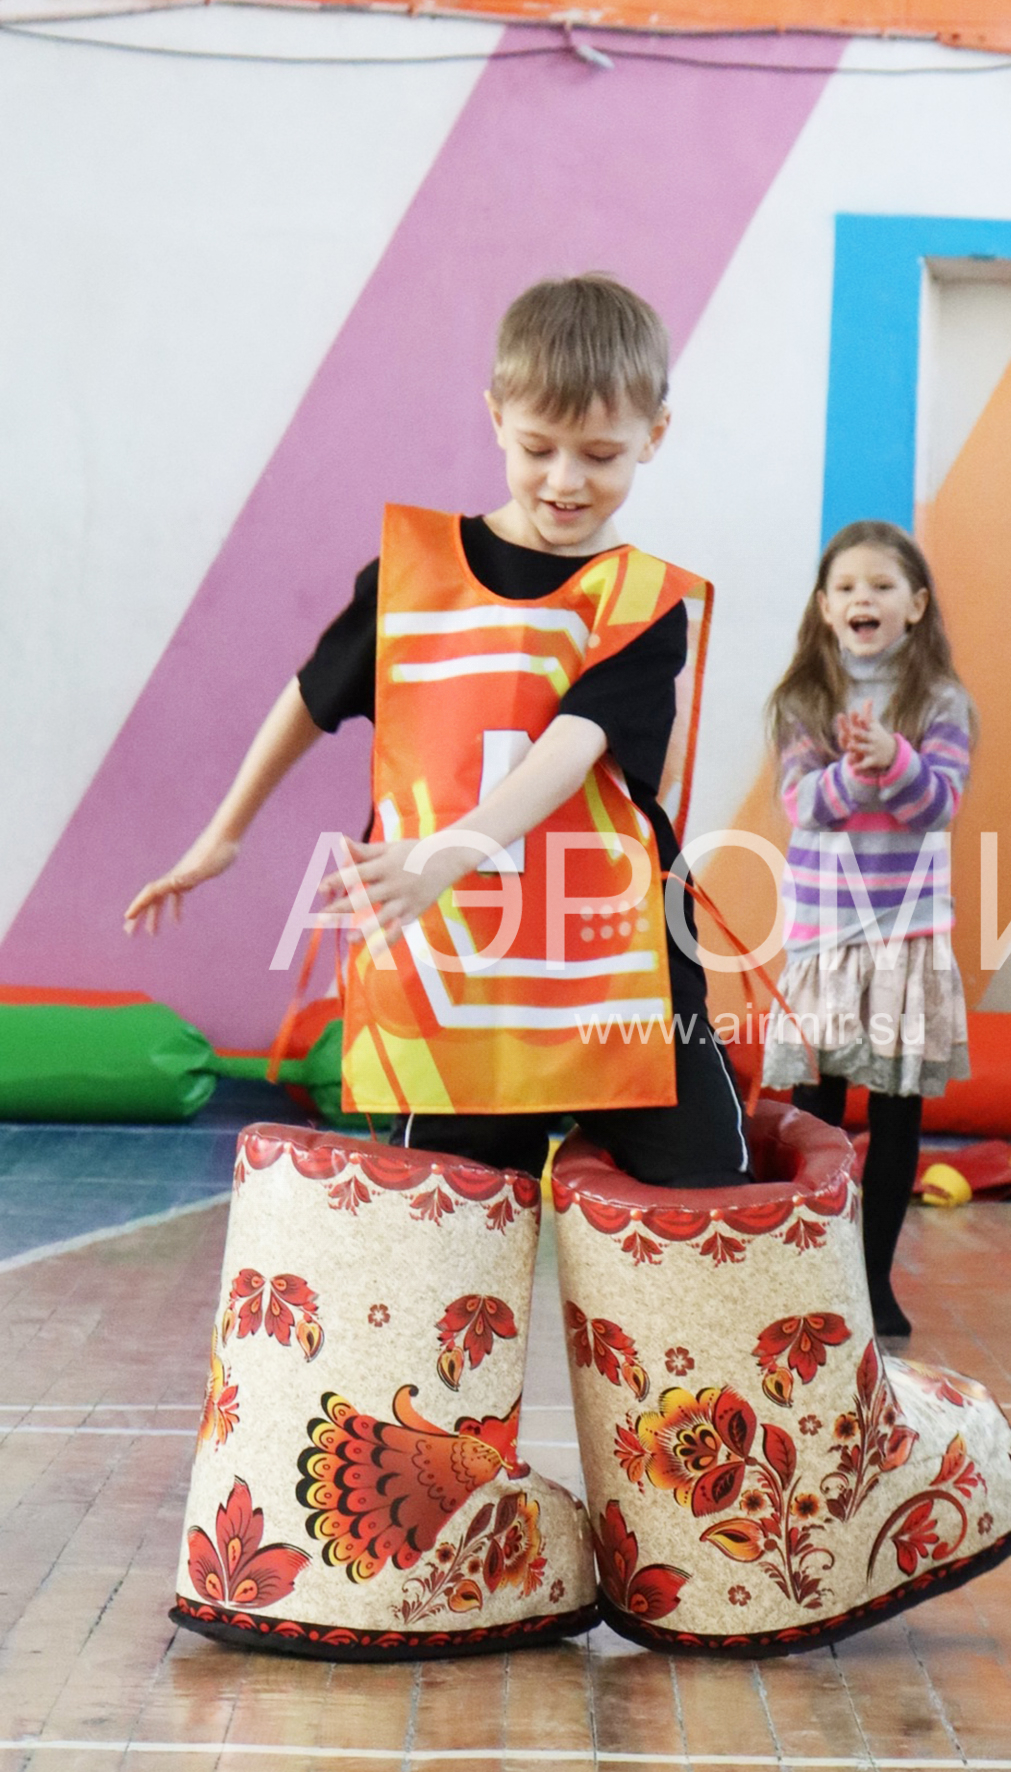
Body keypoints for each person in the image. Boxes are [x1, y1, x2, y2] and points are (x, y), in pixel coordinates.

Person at [126, 273, 750, 1191]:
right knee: (448, 1219)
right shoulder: (412, 580)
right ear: (496, 416)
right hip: (461, 964)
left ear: (654, 436)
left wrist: (447, 851)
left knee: (704, 1193)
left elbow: (574, 744)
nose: (565, 480)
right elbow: (311, 695)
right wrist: (224, 834)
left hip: (620, 957)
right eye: (537, 448)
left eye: (600, 454)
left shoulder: (642, 602)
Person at [763, 520, 973, 1337]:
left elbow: (938, 806)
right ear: (825, 607)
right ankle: (811, 1276)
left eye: (882, 586)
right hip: (826, 937)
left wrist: (897, 758)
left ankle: (875, 1278)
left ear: (915, 605)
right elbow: (802, 805)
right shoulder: (804, 702)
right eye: (848, 587)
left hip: (905, 937)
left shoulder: (940, 702)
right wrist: (855, 771)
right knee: (816, 1108)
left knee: (895, 1114)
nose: (864, 599)